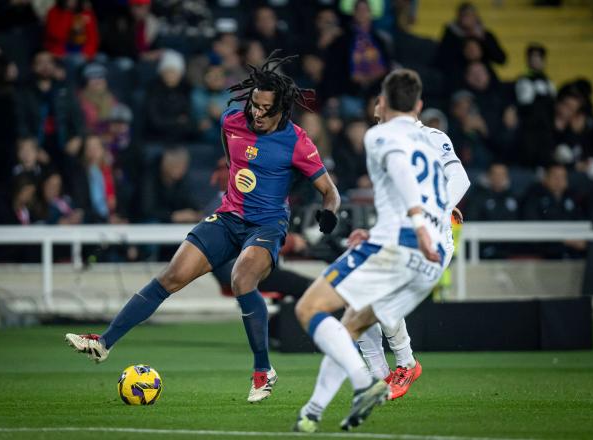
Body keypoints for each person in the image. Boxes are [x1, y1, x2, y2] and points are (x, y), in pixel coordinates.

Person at [65, 52, 340, 403]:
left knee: (242, 278)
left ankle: (262, 371)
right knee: (171, 277)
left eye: (264, 108)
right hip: (228, 218)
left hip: (267, 225)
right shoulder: (231, 121)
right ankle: (104, 343)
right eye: (253, 104)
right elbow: (234, 160)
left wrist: (328, 213)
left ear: (282, 108)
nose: (255, 112)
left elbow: (330, 192)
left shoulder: (298, 141)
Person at [293, 69, 468, 432]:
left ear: (384, 103)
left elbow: (404, 177)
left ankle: (375, 377)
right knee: (355, 318)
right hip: (431, 247)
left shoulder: (380, 136)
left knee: (313, 309)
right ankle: (321, 407)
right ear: (419, 104)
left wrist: (420, 222)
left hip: (408, 241)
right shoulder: (433, 138)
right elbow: (452, 180)